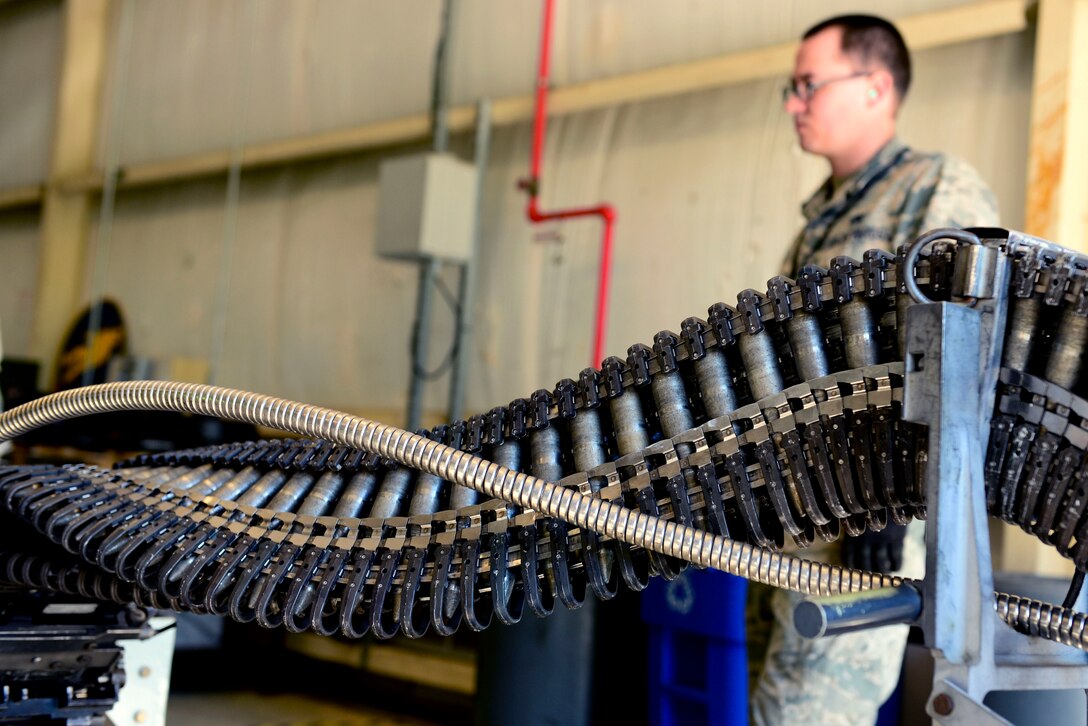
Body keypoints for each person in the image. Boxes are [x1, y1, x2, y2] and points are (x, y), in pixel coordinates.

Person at [747, 14, 999, 726]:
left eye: (808, 85)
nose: (794, 103)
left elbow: (964, 345)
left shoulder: (937, 189)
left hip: (868, 523)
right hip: (791, 515)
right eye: (791, 88)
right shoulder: (816, 227)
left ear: (875, 87)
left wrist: (895, 498)